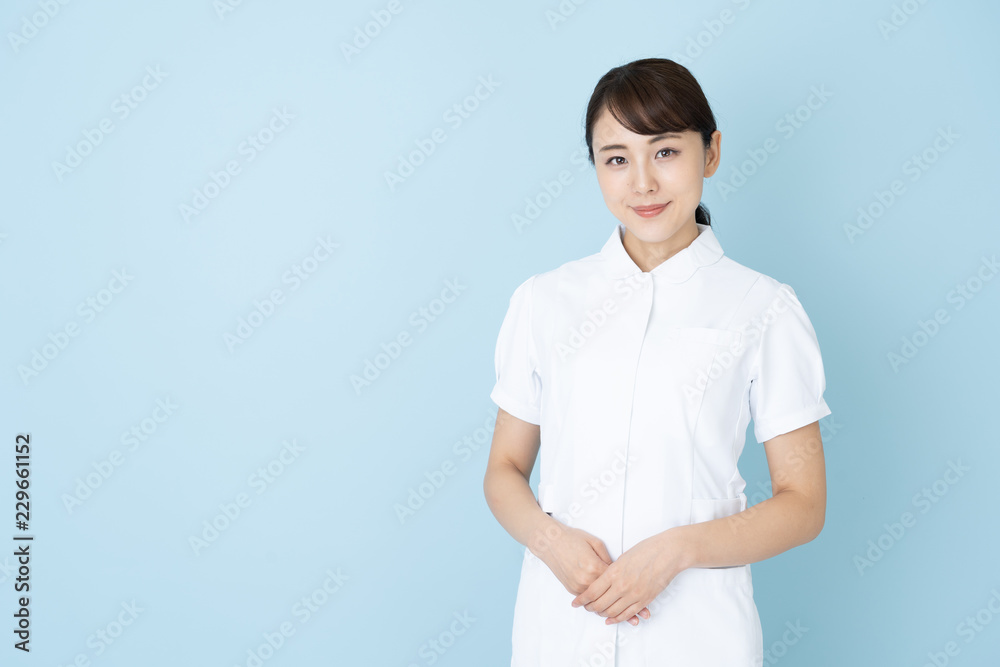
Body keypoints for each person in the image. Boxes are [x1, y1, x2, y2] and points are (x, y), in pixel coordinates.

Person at [482, 57, 832, 666]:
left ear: (711, 152)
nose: (641, 182)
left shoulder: (764, 308)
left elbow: (803, 504)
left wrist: (677, 550)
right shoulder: (543, 301)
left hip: (698, 634)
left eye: (665, 151)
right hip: (561, 627)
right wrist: (551, 542)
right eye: (616, 158)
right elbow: (505, 469)